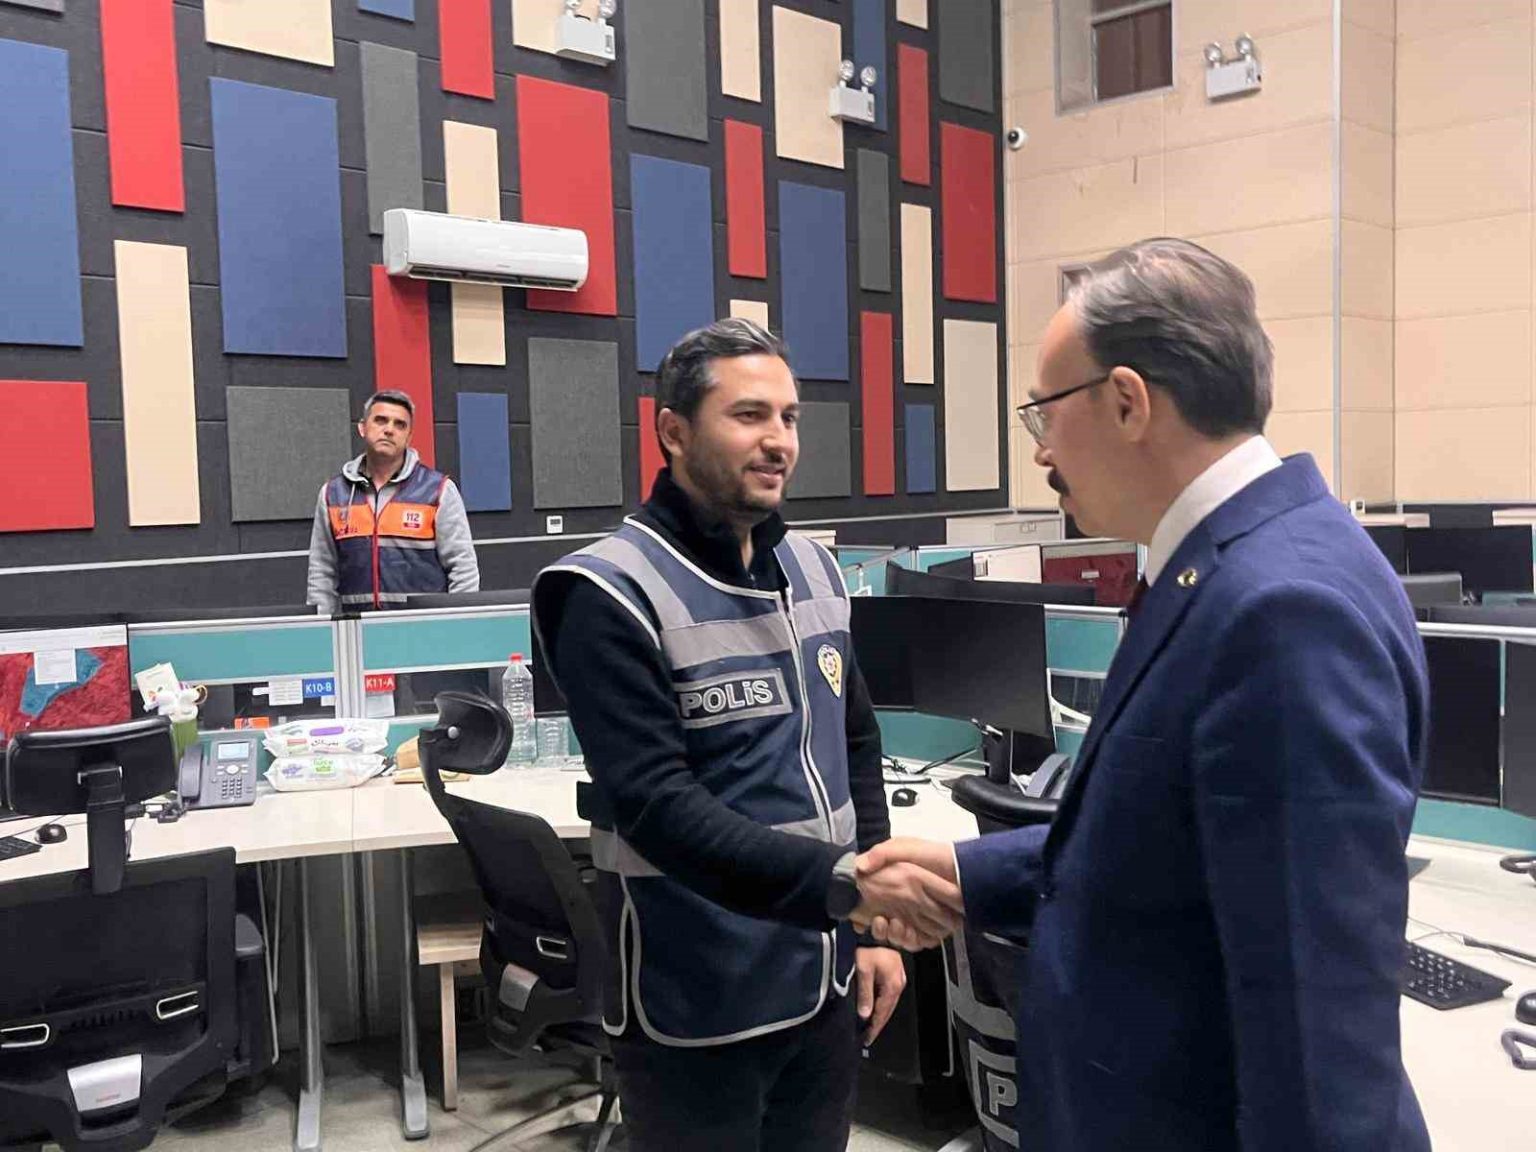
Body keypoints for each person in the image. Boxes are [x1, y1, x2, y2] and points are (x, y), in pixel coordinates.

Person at [860, 239, 1432, 1150]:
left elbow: (1315, 1025)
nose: (1041, 450)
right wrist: (964, 873)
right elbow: (1162, 845)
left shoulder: (1281, 609)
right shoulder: (1232, 567)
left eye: (1045, 412)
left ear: (1127, 401)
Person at [530, 319, 961, 1152]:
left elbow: (855, 745)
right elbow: (656, 806)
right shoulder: (606, 591)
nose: (778, 441)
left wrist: (867, 930)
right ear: (673, 431)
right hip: (695, 998)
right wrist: (850, 889)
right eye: (749, 415)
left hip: (823, 981)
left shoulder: (816, 569)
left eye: (789, 417)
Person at [305, 389, 479, 613]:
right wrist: (321, 626)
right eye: (380, 420)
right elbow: (322, 573)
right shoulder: (332, 494)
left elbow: (463, 569)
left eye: (400, 425)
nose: (389, 429)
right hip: (357, 627)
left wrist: (459, 622)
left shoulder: (439, 491)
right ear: (362, 428)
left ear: (408, 436)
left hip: (422, 627)